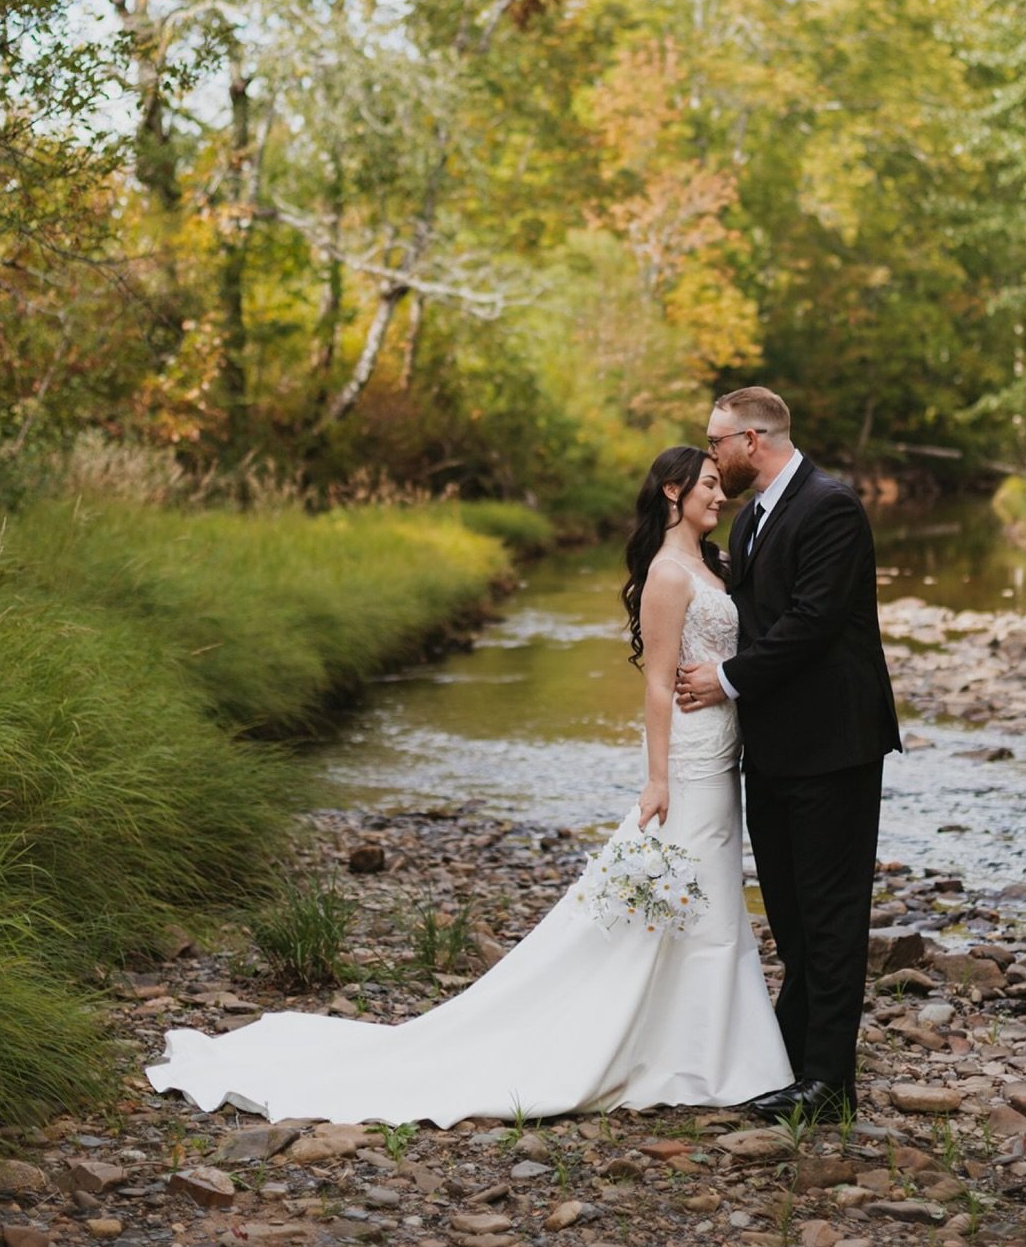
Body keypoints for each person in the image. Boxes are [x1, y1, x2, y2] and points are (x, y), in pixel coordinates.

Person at [145, 446, 792, 1126]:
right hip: (686, 759)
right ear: (672, 490)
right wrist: (657, 778)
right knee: (683, 899)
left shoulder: (713, 563)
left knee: (710, 893)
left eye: (722, 485)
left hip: (723, 753)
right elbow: (658, 681)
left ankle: (705, 1048)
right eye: (710, 485)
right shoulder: (666, 573)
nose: (721, 496)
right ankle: (693, 1057)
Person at [677, 386, 901, 1122]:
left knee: (832, 915)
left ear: (751, 439)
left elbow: (810, 623)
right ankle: (794, 1058)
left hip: (833, 747)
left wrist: (726, 680)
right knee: (794, 916)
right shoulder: (752, 521)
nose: (712, 456)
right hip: (772, 750)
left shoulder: (829, 506)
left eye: (716, 443)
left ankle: (830, 1083)